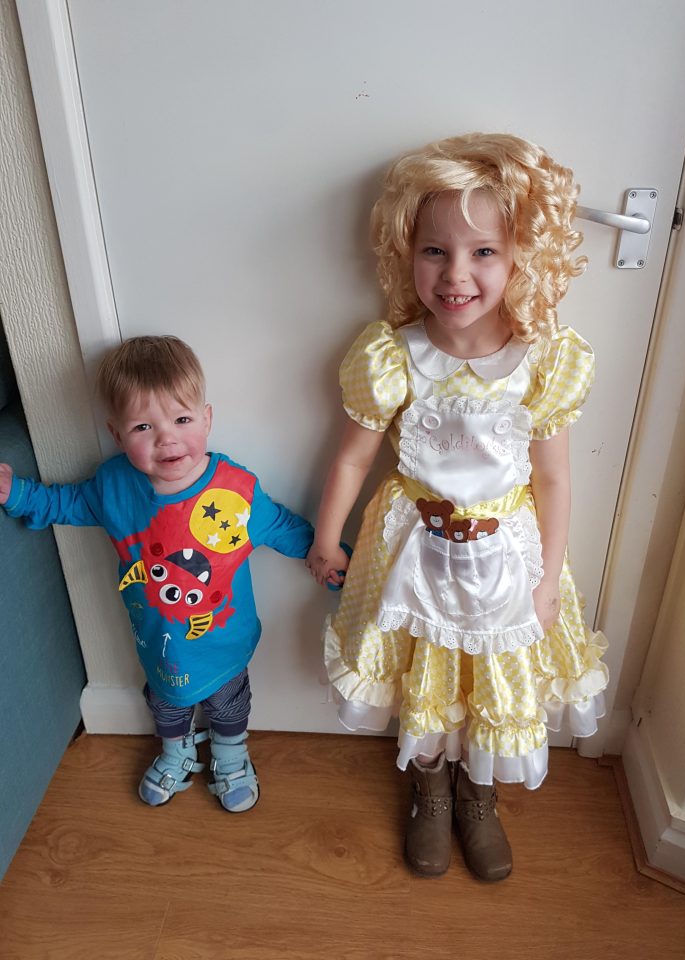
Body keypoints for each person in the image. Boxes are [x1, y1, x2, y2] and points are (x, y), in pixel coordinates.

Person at [306, 132, 608, 880]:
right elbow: (352, 453)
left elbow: (555, 479)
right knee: (426, 674)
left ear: (518, 260)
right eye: (435, 251)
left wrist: (546, 582)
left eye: (484, 253)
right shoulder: (393, 352)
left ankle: (480, 793)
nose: (456, 275)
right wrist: (326, 535)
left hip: (507, 556)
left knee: (490, 679)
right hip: (410, 550)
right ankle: (430, 786)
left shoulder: (545, 359)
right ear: (407, 255)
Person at [0, 336, 313, 812]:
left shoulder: (235, 491)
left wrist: (331, 554)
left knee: (228, 704)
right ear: (117, 434)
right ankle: (177, 750)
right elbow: (62, 502)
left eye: (182, 420)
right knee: (165, 702)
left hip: (221, 643)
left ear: (207, 420)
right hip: (157, 641)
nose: (167, 438)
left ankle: (231, 754)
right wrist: (17, 493)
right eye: (144, 426)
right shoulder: (114, 487)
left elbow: (284, 528)